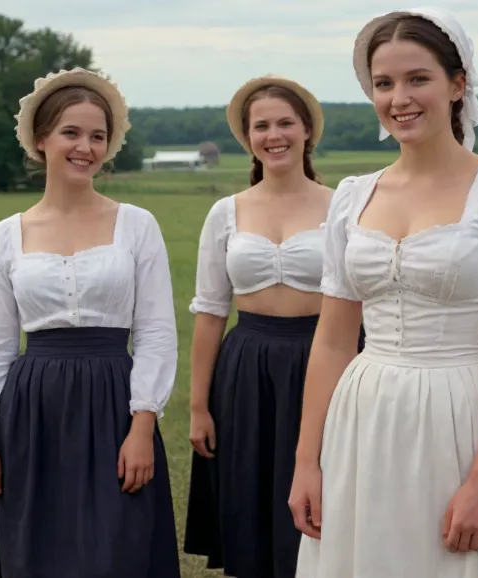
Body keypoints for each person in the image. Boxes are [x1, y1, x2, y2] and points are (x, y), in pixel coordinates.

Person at [289, 8, 478, 577]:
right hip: (364, 416)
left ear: (457, 84)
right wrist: (306, 461)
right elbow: (334, 341)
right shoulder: (351, 196)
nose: (399, 98)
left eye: (418, 79)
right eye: (383, 84)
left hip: (463, 417)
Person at [0, 67, 181, 578]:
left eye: (97, 136)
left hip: (114, 406)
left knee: (116, 548)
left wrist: (142, 426)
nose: (85, 146)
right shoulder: (5, 236)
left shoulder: (137, 225)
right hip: (32, 415)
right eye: (71, 132)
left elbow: (155, 332)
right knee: (35, 553)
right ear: (41, 140)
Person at [183, 75, 363, 578]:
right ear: (248, 137)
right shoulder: (226, 213)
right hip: (247, 372)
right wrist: (199, 406)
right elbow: (211, 310)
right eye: (261, 125)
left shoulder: (343, 207)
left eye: (286, 122)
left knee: (328, 497)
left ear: (307, 131)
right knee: (253, 503)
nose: (274, 134)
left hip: (328, 358)